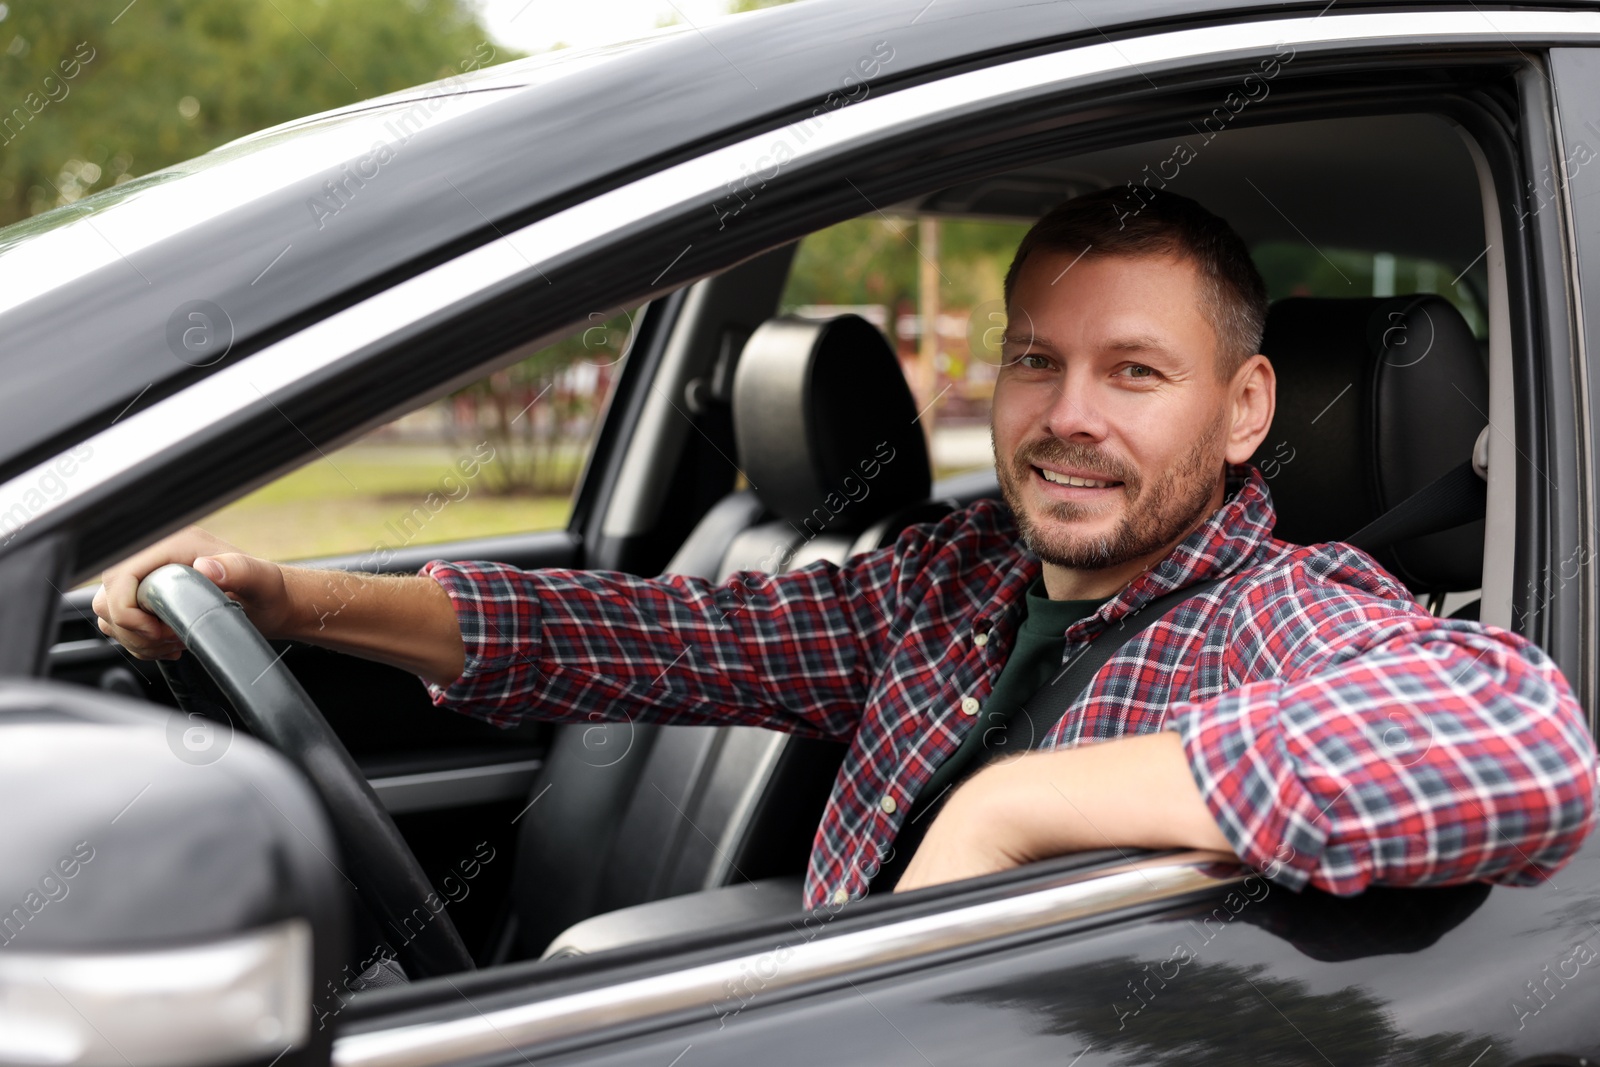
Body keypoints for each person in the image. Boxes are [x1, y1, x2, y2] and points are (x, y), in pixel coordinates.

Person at [93, 188, 1597, 912]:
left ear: (1246, 403)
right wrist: (289, 597)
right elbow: (655, 642)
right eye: (1032, 362)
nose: (1067, 420)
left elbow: (1526, 746)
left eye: (1136, 374)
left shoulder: (1284, 612)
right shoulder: (947, 578)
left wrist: (1015, 809)